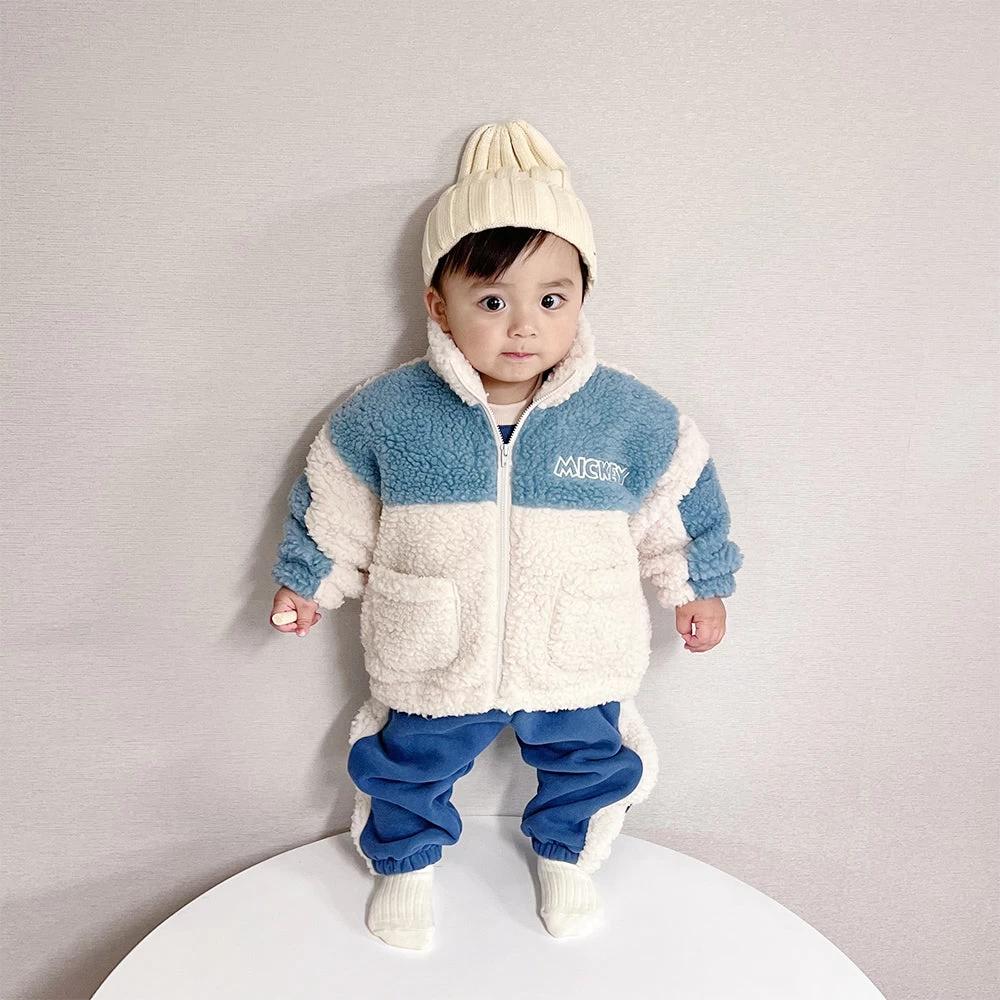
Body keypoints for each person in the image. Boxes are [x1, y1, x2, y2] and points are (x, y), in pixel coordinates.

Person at [268, 120, 744, 950]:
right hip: (435, 644)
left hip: (575, 643)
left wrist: (697, 586)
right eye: (492, 301)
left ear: (582, 297)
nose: (523, 326)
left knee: (589, 759)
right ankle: (405, 864)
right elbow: (335, 502)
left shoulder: (627, 416)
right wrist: (309, 581)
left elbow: (679, 498)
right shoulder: (388, 412)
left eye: (551, 300)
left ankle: (568, 856)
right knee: (408, 759)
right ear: (438, 305)